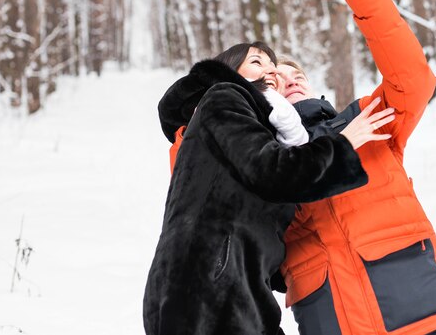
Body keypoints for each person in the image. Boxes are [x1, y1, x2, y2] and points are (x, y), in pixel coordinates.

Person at [275, 0, 436, 335]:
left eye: (296, 74)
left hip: (421, 314)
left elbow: (413, 79)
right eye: (276, 79)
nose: (291, 80)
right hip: (332, 318)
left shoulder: (367, 119)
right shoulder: (260, 164)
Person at [143, 41, 396, 335]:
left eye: (273, 65)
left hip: (238, 285)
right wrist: (343, 144)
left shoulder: (261, 127)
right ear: (230, 70)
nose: (271, 71)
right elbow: (272, 171)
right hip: (205, 284)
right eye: (257, 62)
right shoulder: (224, 96)